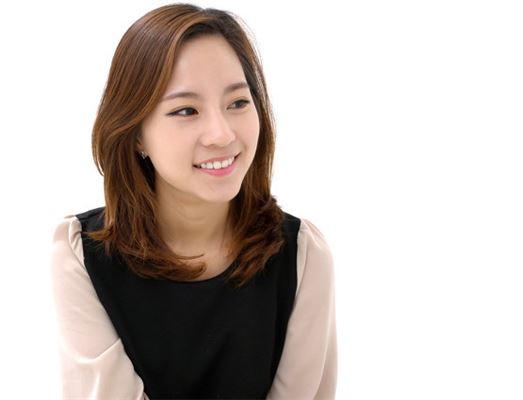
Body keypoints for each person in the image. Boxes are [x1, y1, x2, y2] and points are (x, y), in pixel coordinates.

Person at [49, 3, 337, 399]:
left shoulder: (302, 253)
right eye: (186, 110)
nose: (221, 134)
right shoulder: (81, 254)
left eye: (238, 103)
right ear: (136, 134)